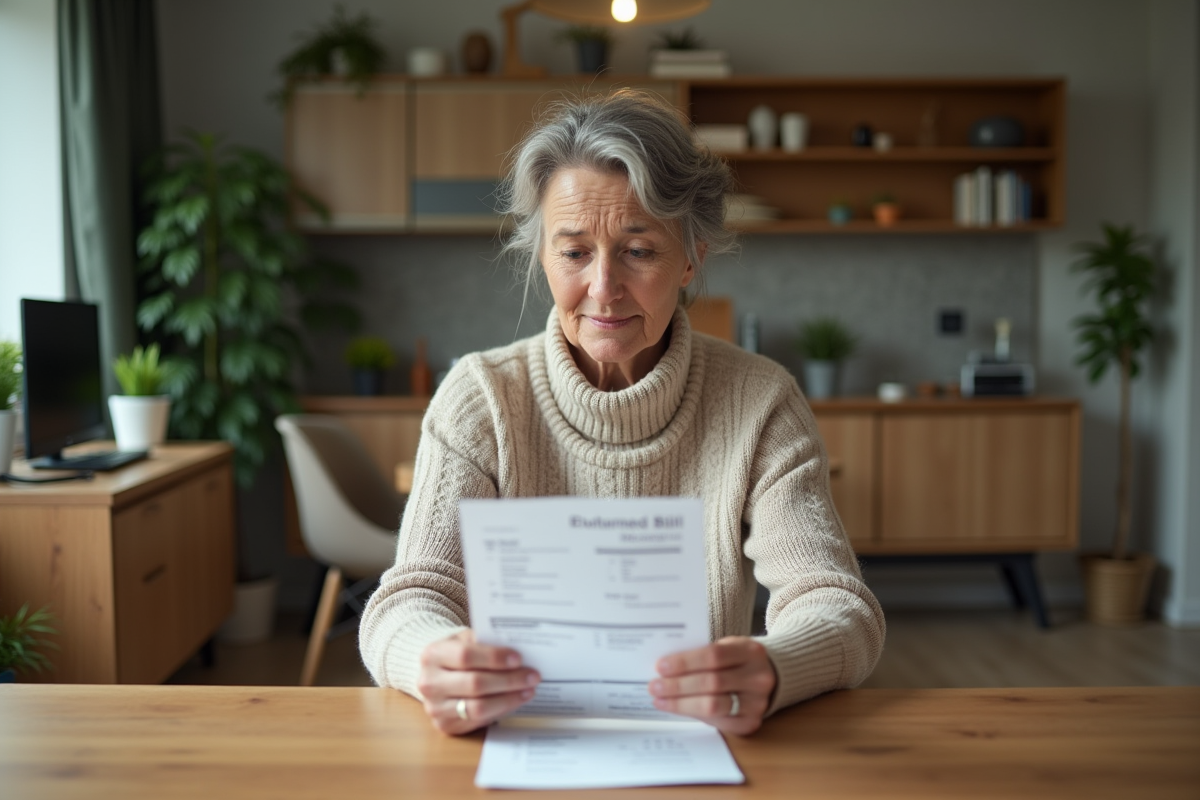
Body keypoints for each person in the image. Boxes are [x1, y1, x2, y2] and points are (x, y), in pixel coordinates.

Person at [359, 90, 885, 736]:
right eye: (574, 252)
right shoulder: (481, 399)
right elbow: (406, 602)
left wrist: (774, 667)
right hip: (520, 745)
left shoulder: (761, 402)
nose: (603, 289)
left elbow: (838, 606)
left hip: (702, 749)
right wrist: (430, 658)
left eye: (638, 251)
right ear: (542, 256)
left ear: (692, 257)